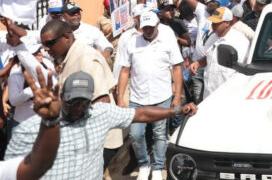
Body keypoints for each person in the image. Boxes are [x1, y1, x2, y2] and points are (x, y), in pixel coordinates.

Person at [7, 71, 197, 180]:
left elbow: (141, 113)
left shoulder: (100, 114)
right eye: (73, 101)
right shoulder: (30, 130)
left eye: (84, 102)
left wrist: (177, 111)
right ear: (62, 97)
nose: (78, 107)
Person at [38, 19, 124, 170]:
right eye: (43, 44)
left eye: (49, 43)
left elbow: (102, 103)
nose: (46, 49)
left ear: (66, 37)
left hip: (97, 141)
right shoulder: (71, 56)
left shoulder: (85, 59)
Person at [116, 11, 183, 180]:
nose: (147, 30)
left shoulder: (168, 41)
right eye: (144, 27)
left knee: (160, 134)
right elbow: (125, 71)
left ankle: (158, 167)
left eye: (150, 27)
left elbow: (176, 68)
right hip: (138, 98)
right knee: (135, 135)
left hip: (162, 96)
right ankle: (144, 164)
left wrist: (177, 96)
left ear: (157, 25)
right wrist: (120, 97)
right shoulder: (131, 43)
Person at [0, 67, 61, 179]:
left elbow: (37, 167)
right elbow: (14, 100)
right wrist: (29, 91)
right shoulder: (15, 75)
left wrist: (50, 120)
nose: (39, 55)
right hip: (19, 124)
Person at [189, 7, 250, 99]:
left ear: (227, 23)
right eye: (212, 22)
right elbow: (208, 57)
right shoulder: (213, 37)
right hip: (208, 93)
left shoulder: (241, 41)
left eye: (216, 23)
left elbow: (244, 68)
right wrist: (198, 63)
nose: (212, 25)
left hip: (228, 95)